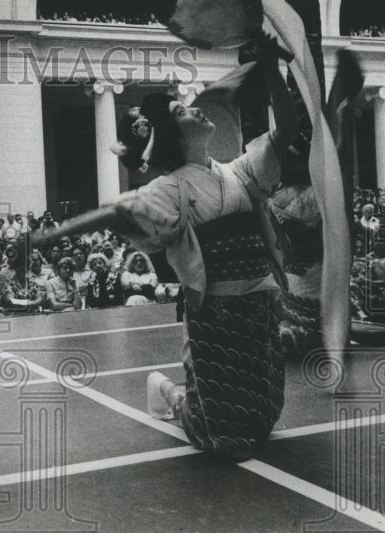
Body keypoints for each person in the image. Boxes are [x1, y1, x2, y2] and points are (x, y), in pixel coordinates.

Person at [34, 31, 300, 461]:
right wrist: (51, 235)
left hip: (261, 305)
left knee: (264, 416)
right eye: (182, 111)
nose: (195, 109)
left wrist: (271, 67)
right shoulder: (170, 188)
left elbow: (285, 129)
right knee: (223, 436)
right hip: (218, 311)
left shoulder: (240, 173)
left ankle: (193, 395)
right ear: (170, 135)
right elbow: (114, 213)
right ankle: (167, 391)